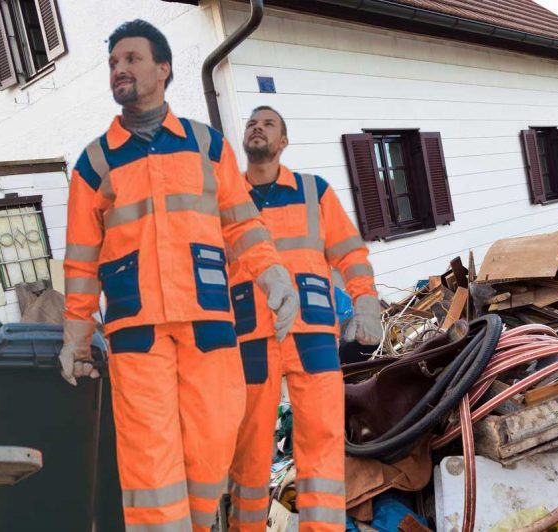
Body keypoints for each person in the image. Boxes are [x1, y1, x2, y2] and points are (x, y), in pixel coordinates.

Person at [59, 21, 299, 531]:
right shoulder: (93, 164)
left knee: (211, 448)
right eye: (112, 63)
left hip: (209, 322)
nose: (119, 69)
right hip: (136, 332)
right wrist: (77, 337)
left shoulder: (206, 145)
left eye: (131, 59)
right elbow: (81, 260)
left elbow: (241, 222)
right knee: (151, 466)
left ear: (163, 69)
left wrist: (273, 273)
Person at [226, 106, 382, 531]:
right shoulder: (225, 201)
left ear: (283, 143)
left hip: (311, 332)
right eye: (252, 122)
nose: (257, 127)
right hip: (250, 336)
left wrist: (365, 302)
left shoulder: (314, 193)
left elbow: (350, 253)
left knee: (322, 445)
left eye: (268, 123)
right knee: (251, 450)